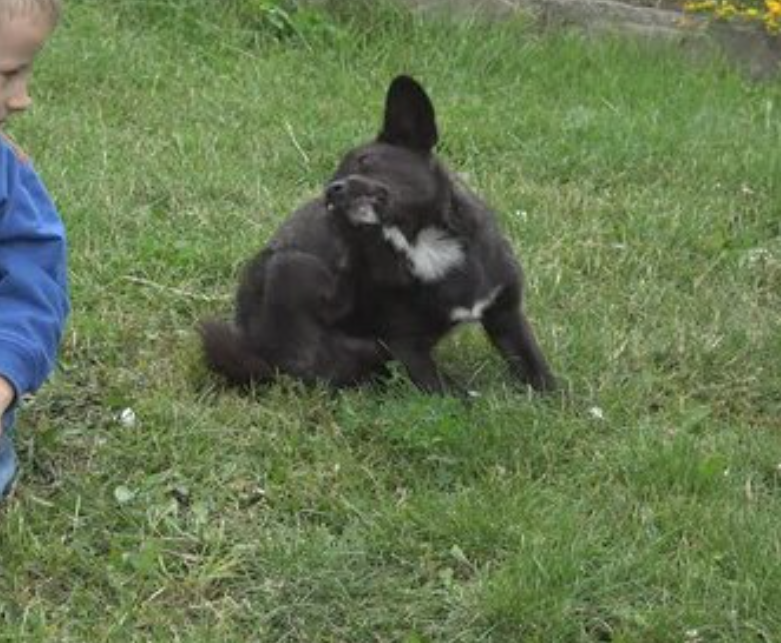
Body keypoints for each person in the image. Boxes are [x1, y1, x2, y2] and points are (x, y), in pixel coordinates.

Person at [0, 0, 69, 499]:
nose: (21, 98)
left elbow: (33, 288)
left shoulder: (8, 178)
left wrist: (5, 372)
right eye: (8, 75)